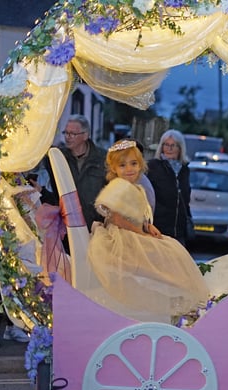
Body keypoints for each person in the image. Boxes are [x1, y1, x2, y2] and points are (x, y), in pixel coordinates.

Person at [87, 139, 209, 321]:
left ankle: (176, 296)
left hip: (133, 231)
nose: (129, 169)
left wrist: (147, 226)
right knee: (163, 254)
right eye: (122, 165)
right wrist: (140, 233)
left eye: (134, 164)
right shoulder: (119, 187)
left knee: (170, 247)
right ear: (114, 169)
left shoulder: (135, 187)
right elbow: (116, 217)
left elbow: (137, 214)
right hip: (121, 236)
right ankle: (174, 294)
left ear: (141, 164)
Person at [33, 114, 106, 231]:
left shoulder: (103, 159)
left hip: (95, 228)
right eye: (66, 133)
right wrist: (42, 192)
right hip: (67, 229)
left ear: (85, 135)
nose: (68, 137)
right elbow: (57, 197)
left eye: (72, 134)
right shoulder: (58, 159)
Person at [146, 129, 193, 247]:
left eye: (173, 145)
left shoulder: (184, 170)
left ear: (180, 148)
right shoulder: (153, 167)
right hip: (158, 228)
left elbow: (185, 199)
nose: (169, 148)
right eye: (166, 144)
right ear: (161, 147)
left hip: (179, 230)